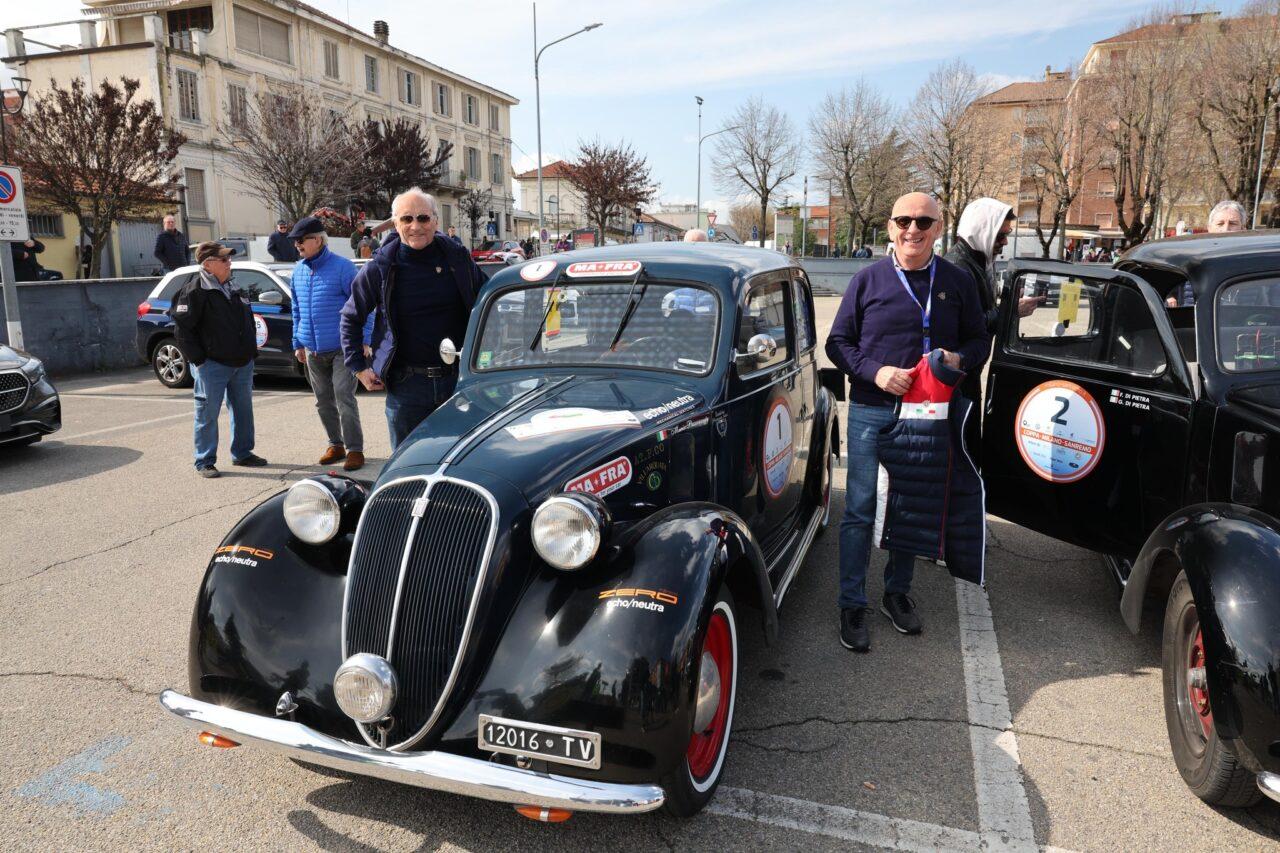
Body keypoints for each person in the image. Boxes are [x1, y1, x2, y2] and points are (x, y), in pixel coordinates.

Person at [825, 192, 990, 652]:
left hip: (929, 411)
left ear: (939, 228)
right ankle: (851, 602)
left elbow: (979, 340)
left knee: (910, 503)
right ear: (890, 226)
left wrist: (960, 358)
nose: (912, 229)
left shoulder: (956, 282)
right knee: (859, 507)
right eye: (904, 220)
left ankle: (896, 593)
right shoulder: (867, 280)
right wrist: (875, 371)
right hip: (872, 407)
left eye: (923, 221)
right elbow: (837, 344)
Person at [341, 187, 486, 449]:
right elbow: (351, 317)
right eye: (407, 219)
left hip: (459, 381)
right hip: (407, 387)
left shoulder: (458, 259)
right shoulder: (380, 268)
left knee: (461, 461)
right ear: (395, 224)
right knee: (407, 466)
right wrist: (358, 368)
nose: (415, 226)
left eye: (423, 218)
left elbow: (488, 304)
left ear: (435, 221)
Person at [945, 198, 1043, 461]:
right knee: (962, 452)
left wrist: (1009, 303)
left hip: (970, 371)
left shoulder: (978, 260)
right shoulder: (959, 266)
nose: (1004, 242)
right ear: (983, 228)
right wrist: (1012, 310)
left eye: (1007, 235)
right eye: (1001, 235)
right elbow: (971, 324)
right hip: (958, 377)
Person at [169, 241, 267, 478]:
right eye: (224, 260)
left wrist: (251, 352)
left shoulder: (233, 287)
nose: (229, 262)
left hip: (242, 362)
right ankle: (204, 460)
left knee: (243, 410)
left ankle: (243, 453)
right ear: (208, 264)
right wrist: (200, 361)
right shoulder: (193, 291)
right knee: (207, 413)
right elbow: (183, 331)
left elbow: (246, 321)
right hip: (212, 364)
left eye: (228, 259)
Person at [289, 216, 372, 471]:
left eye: (301, 241)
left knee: (343, 396)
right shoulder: (298, 270)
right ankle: (335, 444)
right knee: (323, 400)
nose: (298, 246)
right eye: (295, 242)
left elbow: (365, 306)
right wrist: (297, 342)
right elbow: (296, 309)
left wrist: (364, 340)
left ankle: (355, 449)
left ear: (318, 240)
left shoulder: (343, 267)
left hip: (342, 348)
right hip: (312, 350)